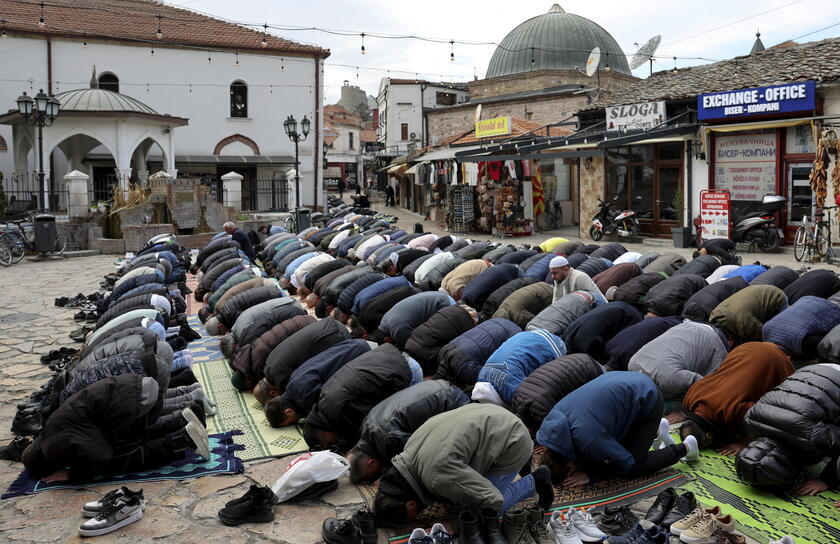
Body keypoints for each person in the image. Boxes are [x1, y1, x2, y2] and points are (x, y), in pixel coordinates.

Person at [373, 403, 555, 525]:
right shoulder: (408, 452)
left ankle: (536, 479)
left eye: (412, 516)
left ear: (411, 505)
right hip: (491, 414)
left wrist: (457, 527)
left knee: (487, 510)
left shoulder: (437, 476)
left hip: (512, 440)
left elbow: (493, 500)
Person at [22, 374, 209, 483]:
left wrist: (72, 475)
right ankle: (182, 419)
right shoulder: (50, 430)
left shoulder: (52, 447)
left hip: (134, 402)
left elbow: (101, 453)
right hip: (138, 386)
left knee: (121, 459)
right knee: (128, 438)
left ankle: (185, 439)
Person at [537, 372, 699, 488]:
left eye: (572, 471)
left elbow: (625, 462)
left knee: (632, 468)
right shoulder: (550, 427)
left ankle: (686, 447)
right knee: (601, 455)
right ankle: (655, 431)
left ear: (568, 462)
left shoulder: (588, 438)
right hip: (623, 379)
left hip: (648, 397)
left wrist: (591, 475)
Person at [677, 342, 794, 455]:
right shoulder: (690, 399)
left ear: (709, 436)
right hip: (745, 348)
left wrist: (744, 443)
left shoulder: (730, 412)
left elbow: (765, 416)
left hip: (776, 359)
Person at [347, 380, 470, 483]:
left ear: (371, 462)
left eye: (375, 473)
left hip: (453, 401)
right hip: (440, 387)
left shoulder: (389, 439)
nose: (379, 472)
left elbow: (419, 458)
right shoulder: (366, 426)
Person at [302, 344, 416, 449]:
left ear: (326, 433)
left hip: (406, 369)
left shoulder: (342, 412)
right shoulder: (324, 399)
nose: (334, 445)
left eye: (330, 444)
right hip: (387, 355)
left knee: (408, 419)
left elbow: (375, 419)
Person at [263, 339, 371, 427]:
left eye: (291, 422)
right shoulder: (292, 383)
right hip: (352, 344)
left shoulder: (305, 397)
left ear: (288, 412)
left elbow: (335, 397)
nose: (296, 421)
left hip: (363, 355)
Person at [628, 321, 729, 402]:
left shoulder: (670, 378)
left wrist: (684, 413)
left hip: (714, 338)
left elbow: (705, 386)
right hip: (688, 326)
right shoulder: (632, 364)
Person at [475, 330, 566, 405]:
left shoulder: (510, 390)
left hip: (551, 347)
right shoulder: (481, 376)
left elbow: (533, 400)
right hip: (530, 334)